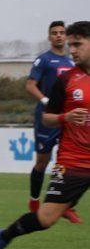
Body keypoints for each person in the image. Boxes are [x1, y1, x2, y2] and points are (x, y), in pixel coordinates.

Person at [0, 21, 90, 249]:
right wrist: (66, 117)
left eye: (77, 44)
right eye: (70, 44)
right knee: (45, 219)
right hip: (74, 162)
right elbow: (47, 118)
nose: (72, 49)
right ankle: (5, 236)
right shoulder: (67, 80)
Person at [26, 21, 80, 223]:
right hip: (46, 119)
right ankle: (34, 201)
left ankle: (64, 205)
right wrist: (45, 100)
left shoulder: (72, 62)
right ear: (49, 37)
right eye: (54, 33)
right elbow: (30, 85)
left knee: (65, 162)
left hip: (65, 119)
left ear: (66, 37)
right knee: (42, 162)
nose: (58, 36)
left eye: (61, 33)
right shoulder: (44, 60)